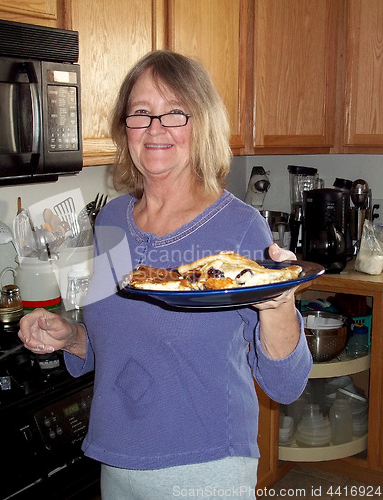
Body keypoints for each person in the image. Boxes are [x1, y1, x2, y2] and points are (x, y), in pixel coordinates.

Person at [18, 50, 312, 499]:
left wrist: (279, 303)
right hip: (117, 461)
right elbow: (114, 341)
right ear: (125, 129)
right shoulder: (113, 220)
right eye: (141, 113)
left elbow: (286, 385)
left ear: (203, 124)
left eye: (174, 112)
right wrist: (71, 337)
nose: (155, 128)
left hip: (206, 468)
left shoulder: (239, 227)